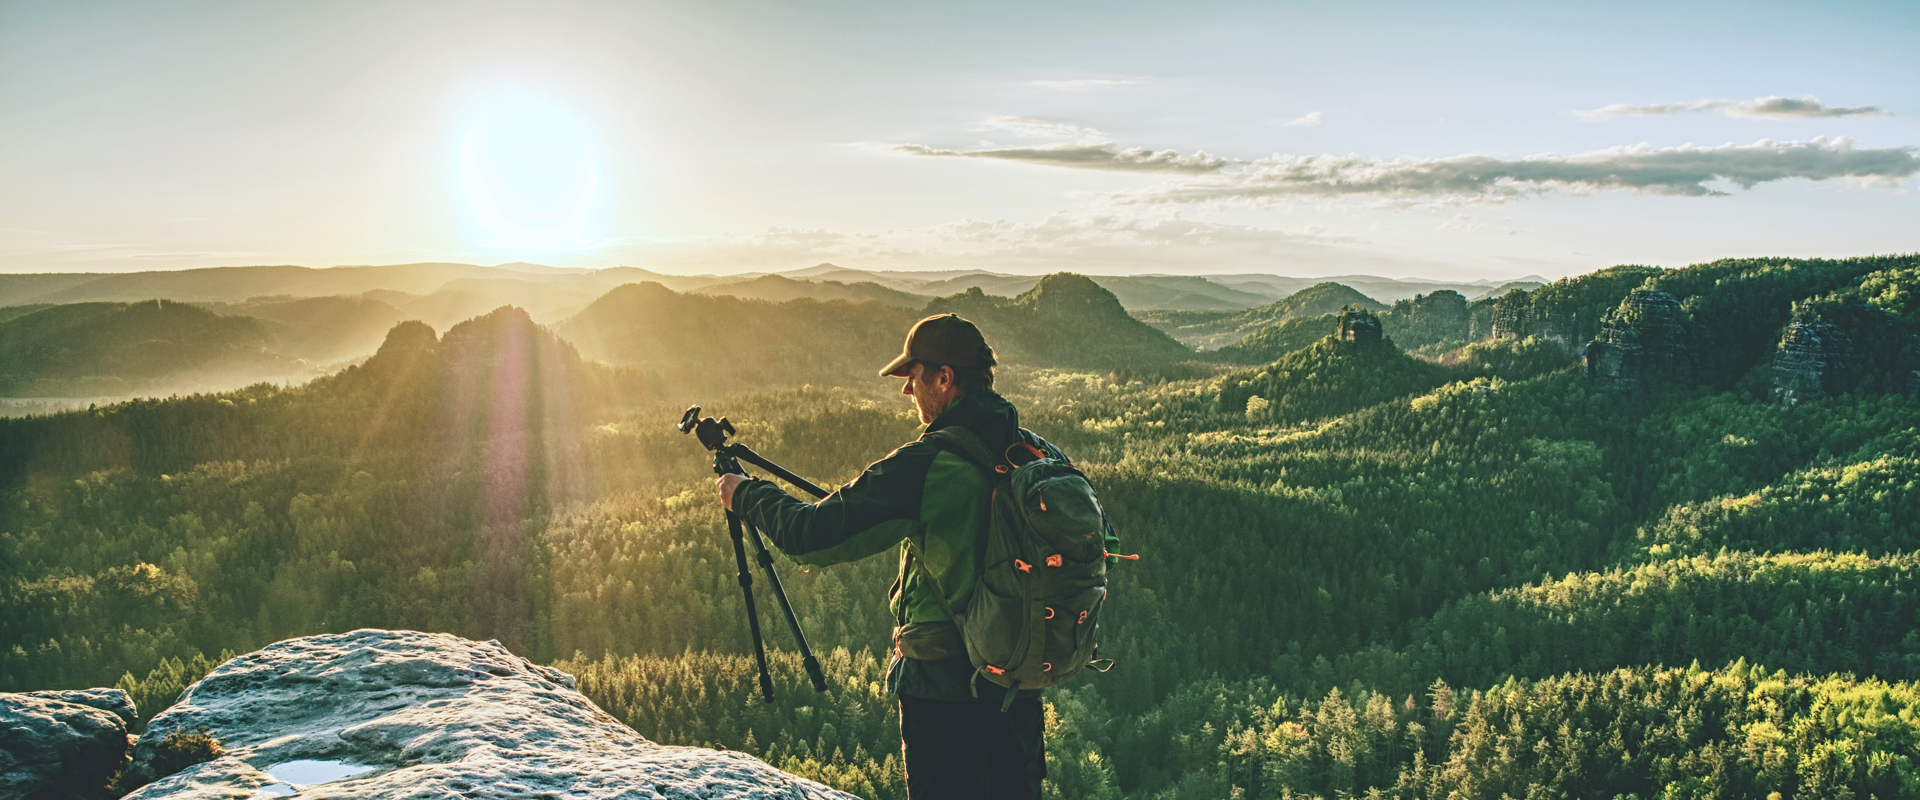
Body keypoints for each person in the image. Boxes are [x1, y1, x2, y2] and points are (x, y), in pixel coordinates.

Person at [715, 313, 1071, 799]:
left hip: (943, 693)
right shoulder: (1035, 451)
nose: (906, 391)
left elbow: (810, 533)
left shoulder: (930, 463)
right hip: (1019, 689)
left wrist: (746, 495)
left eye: (913, 375)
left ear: (945, 378)